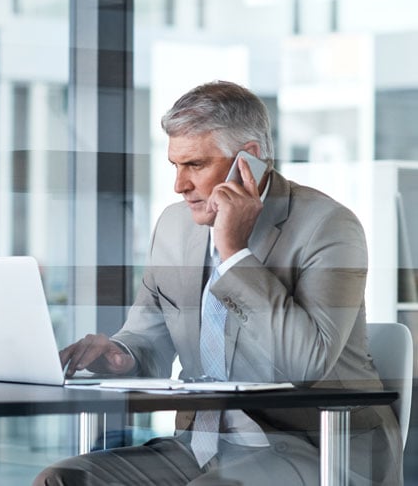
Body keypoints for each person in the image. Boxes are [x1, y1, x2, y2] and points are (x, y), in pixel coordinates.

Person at [34, 81, 402, 485]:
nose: (179, 185)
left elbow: (306, 364)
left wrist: (235, 253)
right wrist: (122, 354)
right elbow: (146, 338)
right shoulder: (174, 227)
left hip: (316, 447)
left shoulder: (328, 226)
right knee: (64, 479)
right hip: (199, 445)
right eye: (175, 165)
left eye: (195, 165)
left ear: (251, 159)